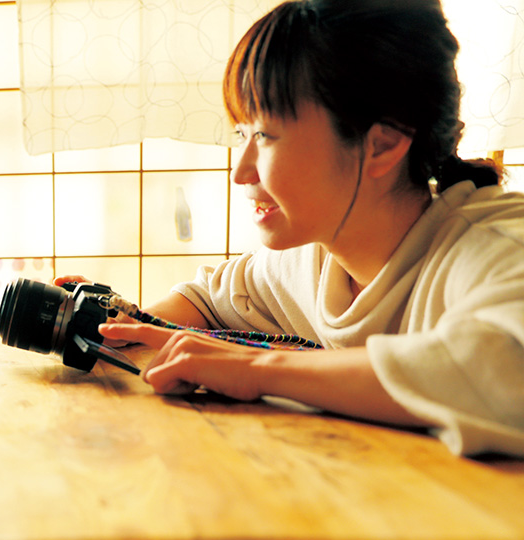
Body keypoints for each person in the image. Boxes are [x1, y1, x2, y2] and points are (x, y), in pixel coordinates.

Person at [69, 0, 524, 456]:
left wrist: (263, 368)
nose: (241, 172)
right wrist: (123, 322)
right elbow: (209, 300)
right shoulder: (312, 257)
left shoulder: (497, 246)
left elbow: (504, 370)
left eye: (265, 136)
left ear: (382, 144)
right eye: (241, 135)